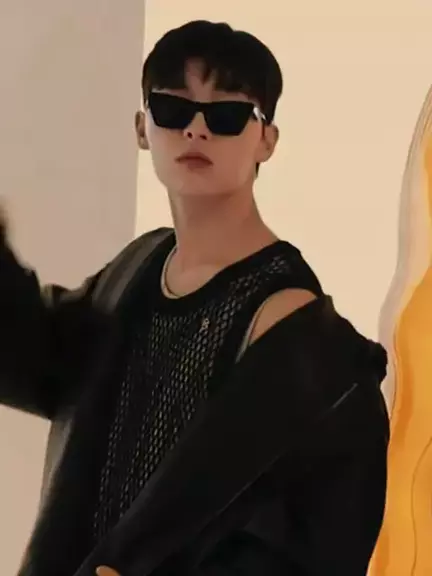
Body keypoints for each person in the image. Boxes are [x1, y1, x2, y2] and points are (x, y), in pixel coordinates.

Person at [0, 20, 389, 576]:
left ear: (267, 140)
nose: (196, 130)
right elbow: (36, 360)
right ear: (142, 128)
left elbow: (321, 544)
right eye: (173, 109)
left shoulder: (310, 348)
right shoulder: (136, 271)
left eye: (227, 115)